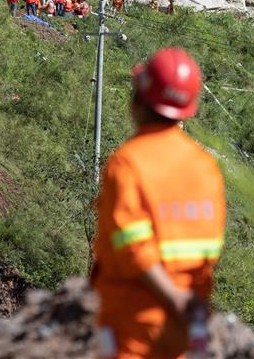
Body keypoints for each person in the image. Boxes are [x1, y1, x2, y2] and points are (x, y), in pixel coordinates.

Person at [92, 48, 226, 359]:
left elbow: (133, 248)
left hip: (132, 327)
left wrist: (172, 297)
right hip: (184, 328)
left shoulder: (128, 163)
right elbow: (210, 248)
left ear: (138, 100)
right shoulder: (206, 166)